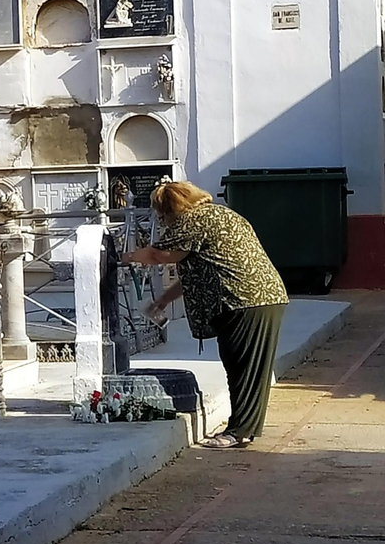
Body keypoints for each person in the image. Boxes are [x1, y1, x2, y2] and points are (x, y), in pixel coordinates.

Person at [123, 180, 289, 449]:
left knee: (243, 369)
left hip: (242, 300)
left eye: (162, 215)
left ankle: (239, 431)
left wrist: (123, 257)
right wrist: (164, 300)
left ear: (172, 208)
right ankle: (242, 428)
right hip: (259, 297)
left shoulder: (194, 220)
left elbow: (158, 255)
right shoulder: (219, 214)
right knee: (243, 366)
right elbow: (200, 270)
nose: (162, 222)